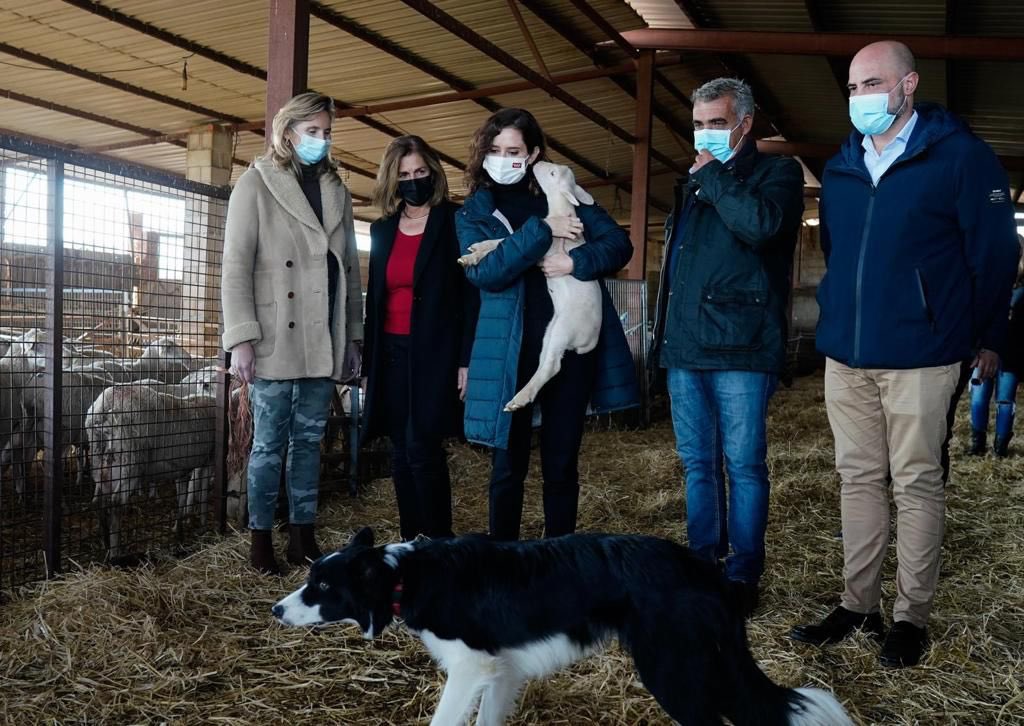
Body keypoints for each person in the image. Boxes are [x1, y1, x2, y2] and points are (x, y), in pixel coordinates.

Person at [789, 42, 1019, 668]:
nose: (860, 96)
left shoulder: (961, 158)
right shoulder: (840, 167)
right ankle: (856, 602)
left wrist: (990, 335)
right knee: (857, 479)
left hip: (923, 354)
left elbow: (995, 254)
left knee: (917, 482)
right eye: (853, 86)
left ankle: (909, 616)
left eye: (873, 82)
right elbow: (837, 252)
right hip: (847, 357)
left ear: (909, 84)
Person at [649, 78, 804, 617]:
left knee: (743, 464)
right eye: (698, 124)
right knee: (696, 464)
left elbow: (761, 228)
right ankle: (701, 565)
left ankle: (742, 573)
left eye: (716, 123)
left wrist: (713, 176)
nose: (705, 134)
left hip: (741, 344)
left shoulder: (776, 173)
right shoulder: (692, 183)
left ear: (745, 122)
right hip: (686, 345)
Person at [457, 107, 638, 541]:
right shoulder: (473, 212)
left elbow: (619, 245)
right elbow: (486, 272)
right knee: (507, 465)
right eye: (495, 150)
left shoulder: (567, 193)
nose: (503, 158)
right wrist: (543, 230)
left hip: (570, 348)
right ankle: (503, 559)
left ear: (534, 153)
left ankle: (560, 556)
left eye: (514, 150)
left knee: (560, 462)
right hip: (509, 347)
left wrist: (574, 260)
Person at [221, 92, 363, 575]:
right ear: (288, 133)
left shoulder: (337, 190)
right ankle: (261, 541)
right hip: (273, 340)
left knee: (309, 441)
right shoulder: (255, 184)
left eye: (326, 132)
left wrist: (353, 336)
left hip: (322, 337)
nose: (320, 141)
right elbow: (236, 265)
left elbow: (349, 269)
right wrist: (241, 337)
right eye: (312, 132)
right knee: (268, 444)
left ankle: (303, 536)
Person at [361, 135, 478, 541]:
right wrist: (368, 365)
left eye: (420, 172)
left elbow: (470, 295)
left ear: (433, 172)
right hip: (391, 352)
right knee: (398, 451)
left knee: (422, 447)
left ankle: (439, 544)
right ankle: (411, 543)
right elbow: (374, 300)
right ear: (393, 181)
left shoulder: (455, 222)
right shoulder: (382, 230)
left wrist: (467, 359)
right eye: (405, 175)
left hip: (436, 353)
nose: (413, 181)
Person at [968, 237, 1024, 457]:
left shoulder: (1013, 289)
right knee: (981, 397)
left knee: (1003, 400)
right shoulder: (990, 284)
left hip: (1010, 354)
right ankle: (978, 444)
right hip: (987, 351)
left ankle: (1000, 447)